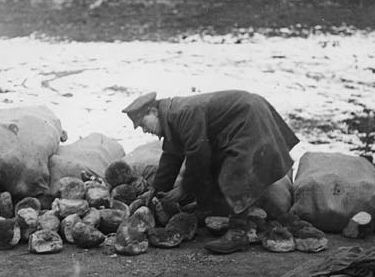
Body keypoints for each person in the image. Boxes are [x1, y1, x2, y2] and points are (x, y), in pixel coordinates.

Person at [122, 90, 299, 218]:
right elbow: (171, 156)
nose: (145, 130)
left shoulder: (181, 113)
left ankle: (239, 231)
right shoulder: (170, 118)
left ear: (153, 112)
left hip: (249, 117)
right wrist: (157, 190)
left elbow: (198, 154)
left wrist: (184, 189)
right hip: (239, 121)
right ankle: (211, 211)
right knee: (214, 168)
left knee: (232, 173)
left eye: (144, 124)